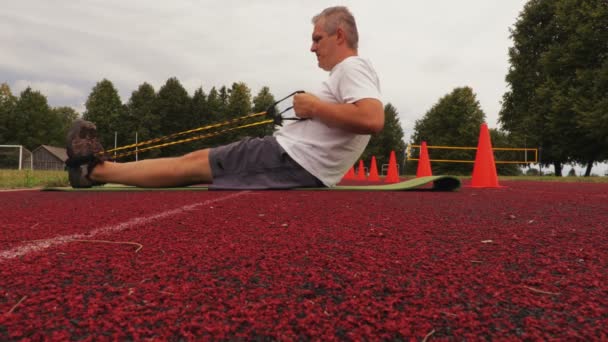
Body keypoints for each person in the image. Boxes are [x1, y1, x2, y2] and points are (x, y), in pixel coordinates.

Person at [66, 6, 384, 189]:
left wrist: (314, 107)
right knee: (194, 162)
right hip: (291, 161)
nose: (312, 47)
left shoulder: (351, 66)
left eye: (317, 38)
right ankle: (99, 171)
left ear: (339, 35)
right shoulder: (351, 72)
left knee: (192, 164)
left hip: (289, 158)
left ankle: (96, 171)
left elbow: (372, 119)